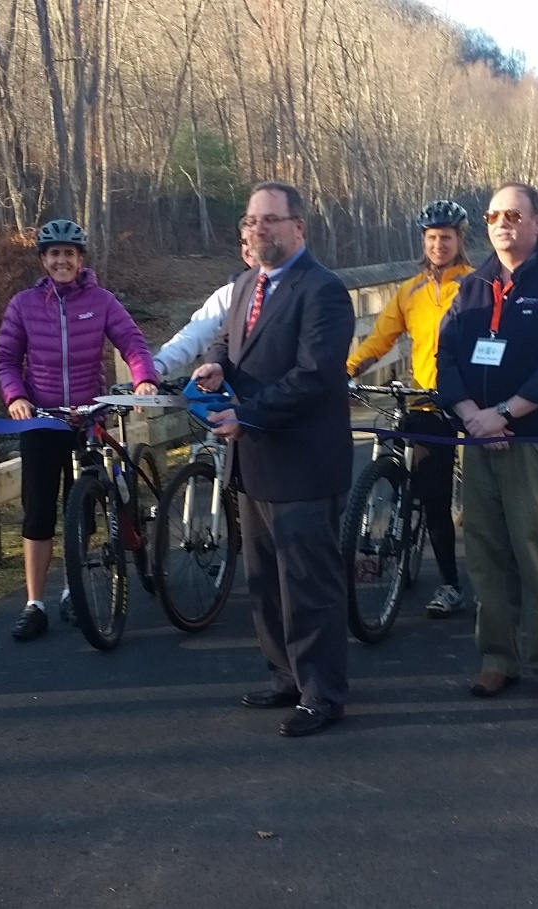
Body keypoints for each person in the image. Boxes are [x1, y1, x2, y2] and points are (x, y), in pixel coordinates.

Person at [192, 181, 354, 737]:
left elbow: (314, 375)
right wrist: (217, 366)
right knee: (264, 583)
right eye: (250, 221)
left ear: (298, 227)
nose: (257, 229)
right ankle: (285, 675)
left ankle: (322, 693)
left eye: (270, 220)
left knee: (308, 584)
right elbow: (227, 342)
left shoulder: (323, 290)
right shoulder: (244, 285)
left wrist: (251, 414)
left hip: (303, 462)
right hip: (253, 463)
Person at [435, 181, 538, 709]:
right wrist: (471, 417)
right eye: (493, 216)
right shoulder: (473, 285)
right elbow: (449, 359)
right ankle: (497, 658)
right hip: (479, 441)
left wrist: (505, 414)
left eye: (513, 214)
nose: (502, 223)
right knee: (486, 552)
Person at [0, 218, 158, 641]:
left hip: (88, 415)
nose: (62, 260)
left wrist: (144, 378)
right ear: (44, 261)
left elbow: (132, 342)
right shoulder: (24, 304)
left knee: (80, 507)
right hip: (42, 418)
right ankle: (34, 603)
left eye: (69, 254)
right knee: (38, 510)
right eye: (54, 254)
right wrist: (15, 396)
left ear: (80, 259)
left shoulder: (101, 300)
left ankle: (73, 592)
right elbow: (6, 359)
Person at [347, 199, 474, 617]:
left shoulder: (474, 285)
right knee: (432, 494)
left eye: (447, 237)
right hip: (426, 398)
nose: (439, 245)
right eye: (432, 238)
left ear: (460, 240)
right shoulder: (410, 291)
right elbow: (380, 338)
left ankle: (481, 579)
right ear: (424, 242)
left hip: (472, 400)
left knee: (485, 497)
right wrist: (346, 370)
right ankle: (450, 583)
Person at [152, 235, 256, 380]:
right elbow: (196, 333)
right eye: (245, 241)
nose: (250, 247)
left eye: (258, 237)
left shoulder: (295, 290)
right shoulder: (229, 293)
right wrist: (157, 366)